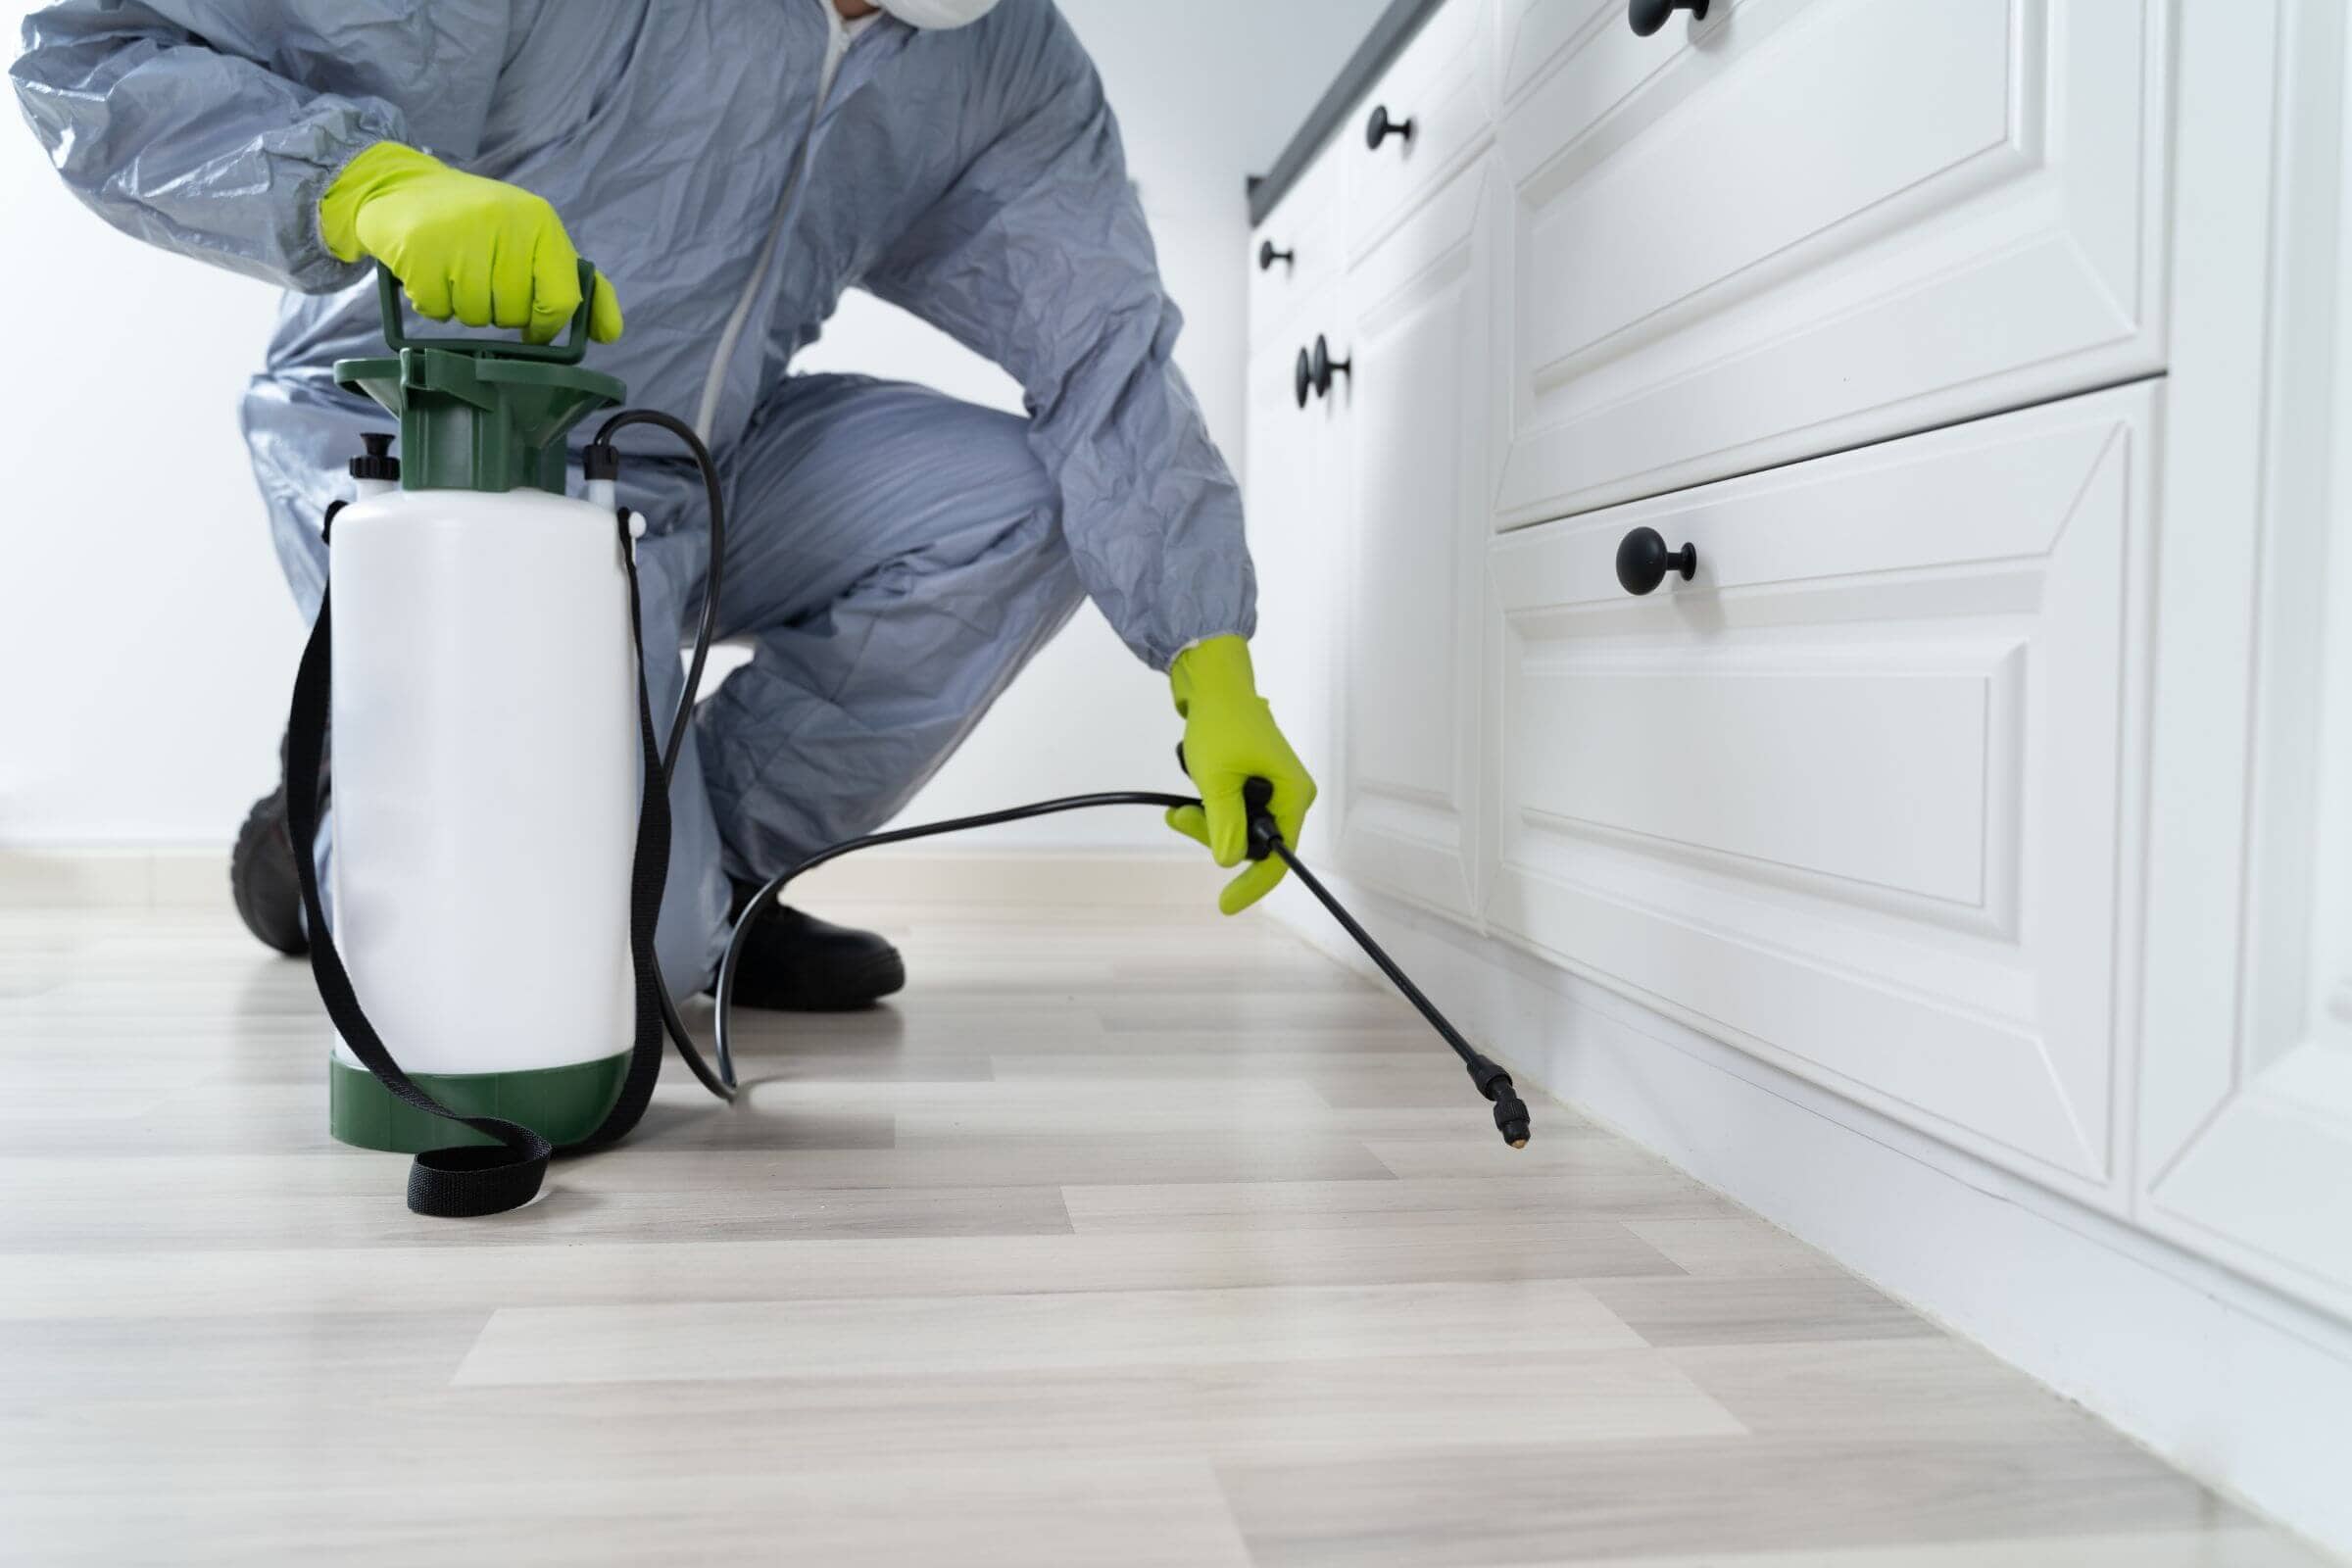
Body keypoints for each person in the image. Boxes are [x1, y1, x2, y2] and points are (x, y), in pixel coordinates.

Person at [12, 0, 1316, 1008]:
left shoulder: (1002, 59)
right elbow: (99, 51)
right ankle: (336, 835)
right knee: (598, 963)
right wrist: (369, 186)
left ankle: (719, 881)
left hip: (695, 464)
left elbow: (1106, 349)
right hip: (442, 445)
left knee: (1036, 502)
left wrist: (1213, 662)